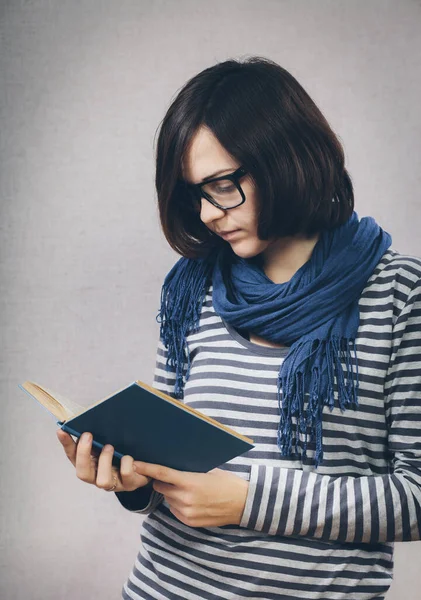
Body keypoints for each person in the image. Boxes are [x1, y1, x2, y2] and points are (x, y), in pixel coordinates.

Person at [57, 56, 421, 600]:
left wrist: (249, 500)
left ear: (288, 157)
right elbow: (171, 470)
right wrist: (132, 482)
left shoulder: (401, 294)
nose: (207, 214)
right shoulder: (191, 290)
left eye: (223, 185)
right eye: (194, 193)